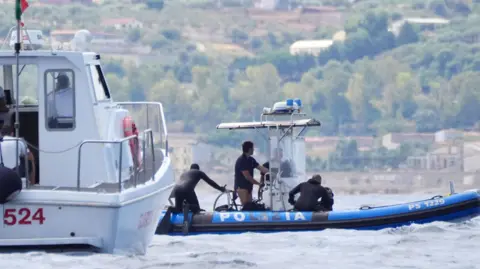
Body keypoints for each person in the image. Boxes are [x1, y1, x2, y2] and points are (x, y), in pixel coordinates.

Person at [234, 141, 269, 206]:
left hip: (249, 187)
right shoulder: (241, 160)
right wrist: (259, 184)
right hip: (241, 187)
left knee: (249, 205)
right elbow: (248, 177)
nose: (253, 149)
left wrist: (272, 173)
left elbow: (261, 168)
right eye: (253, 148)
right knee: (245, 206)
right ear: (249, 149)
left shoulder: (251, 160)